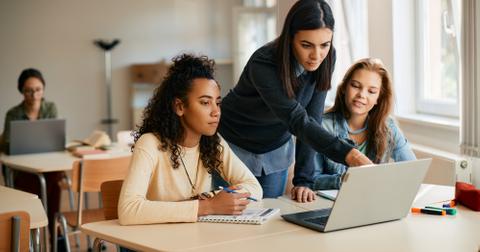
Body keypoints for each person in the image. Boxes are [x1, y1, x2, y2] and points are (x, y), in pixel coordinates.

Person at [217, 0, 372, 202]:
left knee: (269, 222)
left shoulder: (327, 58)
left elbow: (312, 118)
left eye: (324, 45)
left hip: (275, 149)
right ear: (290, 38)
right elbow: (296, 119)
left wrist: (303, 180)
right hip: (233, 146)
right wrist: (350, 154)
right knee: (228, 223)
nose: (316, 56)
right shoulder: (263, 62)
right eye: (306, 45)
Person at [118, 54, 263, 225]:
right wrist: (207, 206)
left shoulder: (212, 142)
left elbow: (254, 188)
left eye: (218, 103)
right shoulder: (150, 143)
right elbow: (128, 210)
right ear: (180, 107)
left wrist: (210, 199)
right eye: (205, 103)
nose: (216, 112)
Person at [312, 58, 416, 190]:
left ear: (378, 98)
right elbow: (311, 180)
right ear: (344, 88)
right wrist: (345, 180)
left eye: (371, 91)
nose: (361, 94)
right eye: (355, 86)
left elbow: (412, 170)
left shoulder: (388, 126)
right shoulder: (321, 126)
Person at [0, 68, 64, 246]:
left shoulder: (50, 108)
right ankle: (55, 233)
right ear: (22, 91)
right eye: (29, 90)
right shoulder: (13, 114)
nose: (34, 94)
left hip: (47, 166)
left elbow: (55, 139)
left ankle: (37, 232)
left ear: (43, 89)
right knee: (54, 186)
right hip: (22, 169)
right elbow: (6, 145)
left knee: (52, 180)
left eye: (38, 89)